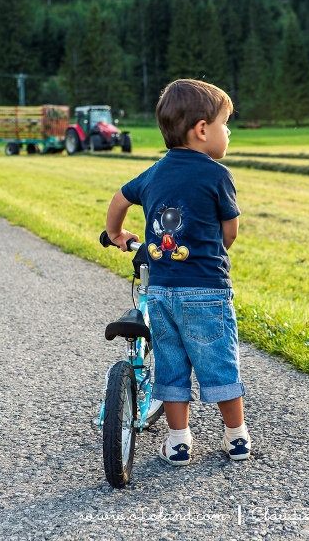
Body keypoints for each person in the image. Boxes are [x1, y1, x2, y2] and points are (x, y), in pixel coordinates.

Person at [105, 78, 250, 466]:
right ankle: (236, 438)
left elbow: (120, 199)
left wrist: (117, 233)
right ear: (203, 130)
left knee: (170, 367)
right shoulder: (217, 175)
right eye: (225, 123)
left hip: (162, 291)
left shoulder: (153, 173)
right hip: (207, 289)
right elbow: (230, 231)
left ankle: (179, 441)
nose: (228, 131)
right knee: (219, 363)